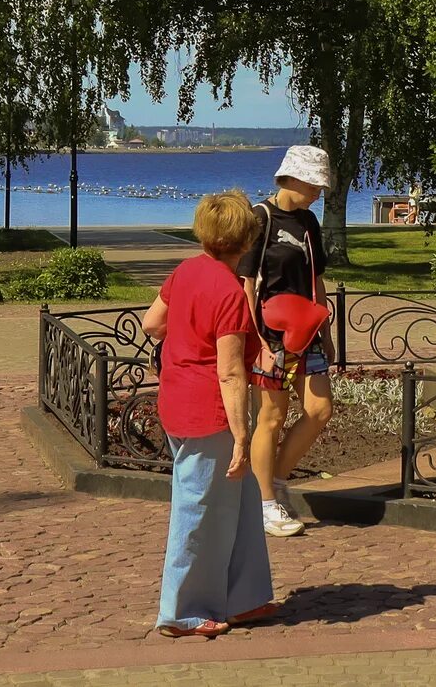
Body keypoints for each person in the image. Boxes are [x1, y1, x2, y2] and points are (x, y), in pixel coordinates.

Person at [141, 189, 275, 638]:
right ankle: (182, 610)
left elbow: (152, 324)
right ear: (246, 240)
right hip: (207, 411)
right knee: (197, 508)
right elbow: (232, 372)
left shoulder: (185, 271)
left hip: (177, 398)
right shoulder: (229, 292)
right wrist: (241, 436)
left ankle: (244, 596)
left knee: (239, 504)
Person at [236, 144, 337, 538]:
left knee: (320, 409)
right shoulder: (259, 218)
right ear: (293, 178)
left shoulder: (310, 222)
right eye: (315, 184)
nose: (319, 192)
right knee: (271, 418)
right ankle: (264, 503)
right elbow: (246, 284)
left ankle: (275, 483)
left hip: (308, 332)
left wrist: (326, 331)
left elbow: (316, 279)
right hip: (270, 337)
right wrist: (258, 340)